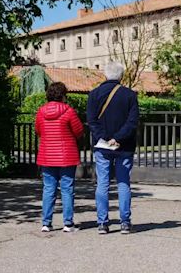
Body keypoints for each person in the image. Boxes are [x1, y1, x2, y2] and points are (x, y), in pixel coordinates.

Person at [87, 62, 139, 235]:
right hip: (124, 146)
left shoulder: (94, 94)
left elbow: (92, 121)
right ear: (121, 76)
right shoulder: (130, 95)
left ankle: (102, 223)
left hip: (102, 146)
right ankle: (125, 222)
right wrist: (117, 138)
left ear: (105, 75)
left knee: (103, 183)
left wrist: (104, 138)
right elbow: (132, 122)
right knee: (123, 183)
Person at [35, 82, 84, 232]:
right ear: (63, 95)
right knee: (67, 189)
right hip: (66, 156)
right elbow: (79, 131)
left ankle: (46, 223)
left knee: (48, 189)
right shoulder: (69, 111)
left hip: (47, 156)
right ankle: (68, 223)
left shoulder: (41, 112)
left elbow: (38, 131)